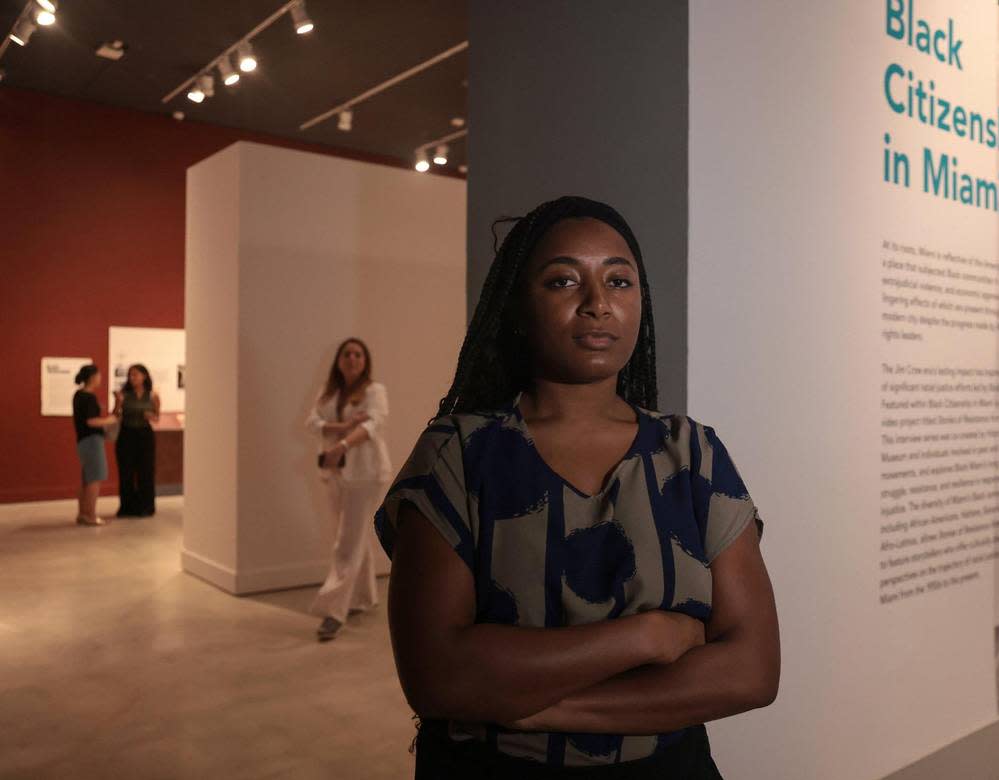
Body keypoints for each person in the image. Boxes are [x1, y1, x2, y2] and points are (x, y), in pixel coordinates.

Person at [376, 196, 780, 778]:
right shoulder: (459, 454)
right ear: (517, 305)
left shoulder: (691, 453)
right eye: (564, 280)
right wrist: (649, 636)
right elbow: (439, 676)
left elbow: (752, 670)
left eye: (619, 281)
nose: (597, 304)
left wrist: (537, 708)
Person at [306, 338, 393, 641]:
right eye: (347, 354)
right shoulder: (328, 392)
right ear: (339, 361)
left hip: (364, 474)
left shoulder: (374, 391)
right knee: (353, 536)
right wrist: (343, 427)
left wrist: (341, 443)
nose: (352, 358)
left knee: (347, 540)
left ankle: (334, 611)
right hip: (334, 473)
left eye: (358, 354)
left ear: (365, 360)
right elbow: (312, 422)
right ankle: (362, 597)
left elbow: (373, 425)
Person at [72, 364, 119, 526]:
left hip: (83, 441)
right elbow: (91, 421)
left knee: (86, 478)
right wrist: (109, 420)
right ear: (92, 377)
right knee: (95, 478)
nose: (100, 378)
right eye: (99, 375)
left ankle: (82, 513)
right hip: (92, 440)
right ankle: (90, 515)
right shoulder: (89, 397)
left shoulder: (78, 395)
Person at [112, 364, 160, 517]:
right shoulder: (124, 394)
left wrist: (150, 416)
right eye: (130, 375)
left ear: (144, 376)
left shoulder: (152, 395)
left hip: (145, 435)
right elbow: (115, 414)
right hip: (126, 434)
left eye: (136, 375)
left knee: (146, 471)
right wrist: (118, 403)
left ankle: (145, 507)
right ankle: (126, 507)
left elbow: (157, 417)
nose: (132, 378)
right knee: (126, 472)